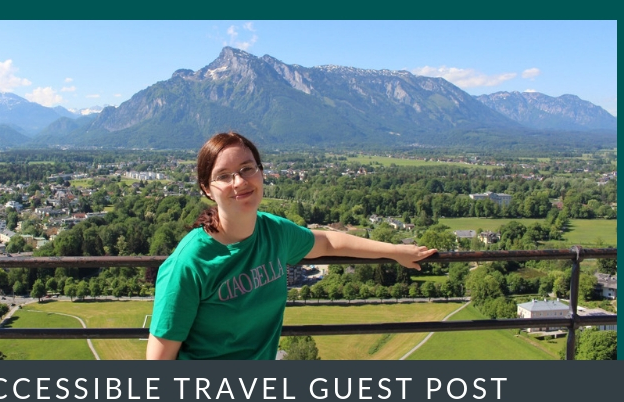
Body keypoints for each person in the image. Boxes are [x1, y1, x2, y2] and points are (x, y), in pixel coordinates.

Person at [146, 132, 436, 360]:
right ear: (206, 188)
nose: (239, 181)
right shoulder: (189, 263)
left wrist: (396, 251)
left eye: (247, 168)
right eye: (224, 175)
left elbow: (329, 241)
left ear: (260, 173)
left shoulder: (273, 231)